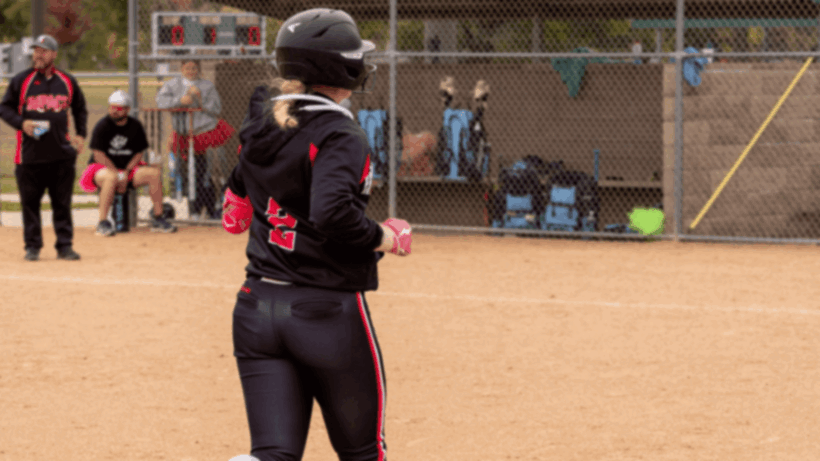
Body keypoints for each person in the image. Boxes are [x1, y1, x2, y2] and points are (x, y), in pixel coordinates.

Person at [220, 8, 412, 461]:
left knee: (273, 454)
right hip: (323, 313)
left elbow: (233, 213)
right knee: (364, 452)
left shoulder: (262, 122)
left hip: (257, 307)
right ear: (340, 69)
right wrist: (386, 236)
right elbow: (331, 214)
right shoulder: (339, 132)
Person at [0, 34, 87, 261]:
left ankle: (64, 246)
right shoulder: (22, 80)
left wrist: (81, 134)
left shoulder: (66, 81)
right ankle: (32, 246)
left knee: (62, 204)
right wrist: (22, 123)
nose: (38, 55)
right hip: (29, 156)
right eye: (36, 50)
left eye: (44, 50)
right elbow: (5, 108)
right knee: (30, 205)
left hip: (61, 154)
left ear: (54, 54)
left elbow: (80, 108)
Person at [78, 90, 177, 236]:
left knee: (153, 173)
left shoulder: (135, 126)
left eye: (118, 109)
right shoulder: (103, 125)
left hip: (127, 169)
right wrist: (117, 172)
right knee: (110, 177)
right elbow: (98, 154)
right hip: (102, 168)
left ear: (127, 110)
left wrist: (126, 171)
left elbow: (139, 152)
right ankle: (103, 223)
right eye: (112, 107)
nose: (114, 111)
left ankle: (158, 218)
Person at [155, 58, 235, 219]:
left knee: (212, 171)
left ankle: (215, 207)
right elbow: (161, 102)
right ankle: (194, 208)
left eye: (194, 68)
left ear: (199, 69)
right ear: (181, 68)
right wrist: (180, 101)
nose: (191, 71)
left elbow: (216, 108)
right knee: (191, 172)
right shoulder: (172, 85)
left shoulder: (207, 86)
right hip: (185, 133)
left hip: (206, 132)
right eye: (187, 67)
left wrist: (200, 99)